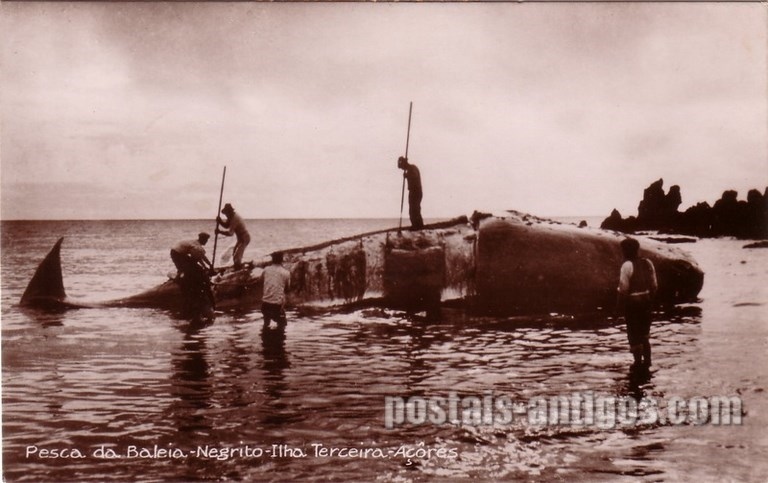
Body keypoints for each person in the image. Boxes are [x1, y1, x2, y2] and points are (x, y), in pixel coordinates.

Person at [616, 237, 658, 369]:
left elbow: (623, 289)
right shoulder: (647, 262)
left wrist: (618, 307)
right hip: (646, 303)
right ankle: (648, 362)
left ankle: (637, 363)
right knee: (645, 335)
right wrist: (649, 300)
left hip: (633, 305)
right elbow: (654, 286)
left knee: (634, 335)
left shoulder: (627, 265)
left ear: (626, 250)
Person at [170, 232, 215, 311]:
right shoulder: (196, 247)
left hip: (181, 253)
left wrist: (209, 265)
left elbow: (201, 257)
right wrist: (206, 267)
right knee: (185, 268)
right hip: (177, 253)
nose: (206, 242)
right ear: (202, 239)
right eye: (206, 240)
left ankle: (182, 275)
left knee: (191, 266)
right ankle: (181, 279)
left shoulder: (196, 244)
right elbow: (199, 259)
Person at [261, 251, 291, 331]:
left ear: (272, 259)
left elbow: (261, 281)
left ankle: (265, 337)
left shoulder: (266, 270)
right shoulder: (286, 273)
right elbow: (287, 289)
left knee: (266, 324)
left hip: (265, 304)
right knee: (283, 325)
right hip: (276, 305)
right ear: (282, 260)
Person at [216, 203, 251, 269]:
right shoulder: (231, 216)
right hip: (240, 239)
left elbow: (230, 234)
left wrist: (220, 232)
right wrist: (220, 221)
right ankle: (237, 266)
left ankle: (238, 268)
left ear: (229, 212)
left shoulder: (235, 219)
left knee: (237, 256)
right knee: (234, 253)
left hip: (245, 238)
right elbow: (227, 225)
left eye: (226, 213)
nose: (226, 215)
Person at [398, 156, 424, 229]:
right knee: (413, 209)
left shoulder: (412, 168)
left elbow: (414, 175)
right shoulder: (409, 169)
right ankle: (416, 225)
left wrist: (407, 175)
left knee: (415, 209)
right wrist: (407, 176)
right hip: (413, 191)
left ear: (404, 164)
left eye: (402, 167)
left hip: (416, 191)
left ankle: (418, 226)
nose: (403, 169)